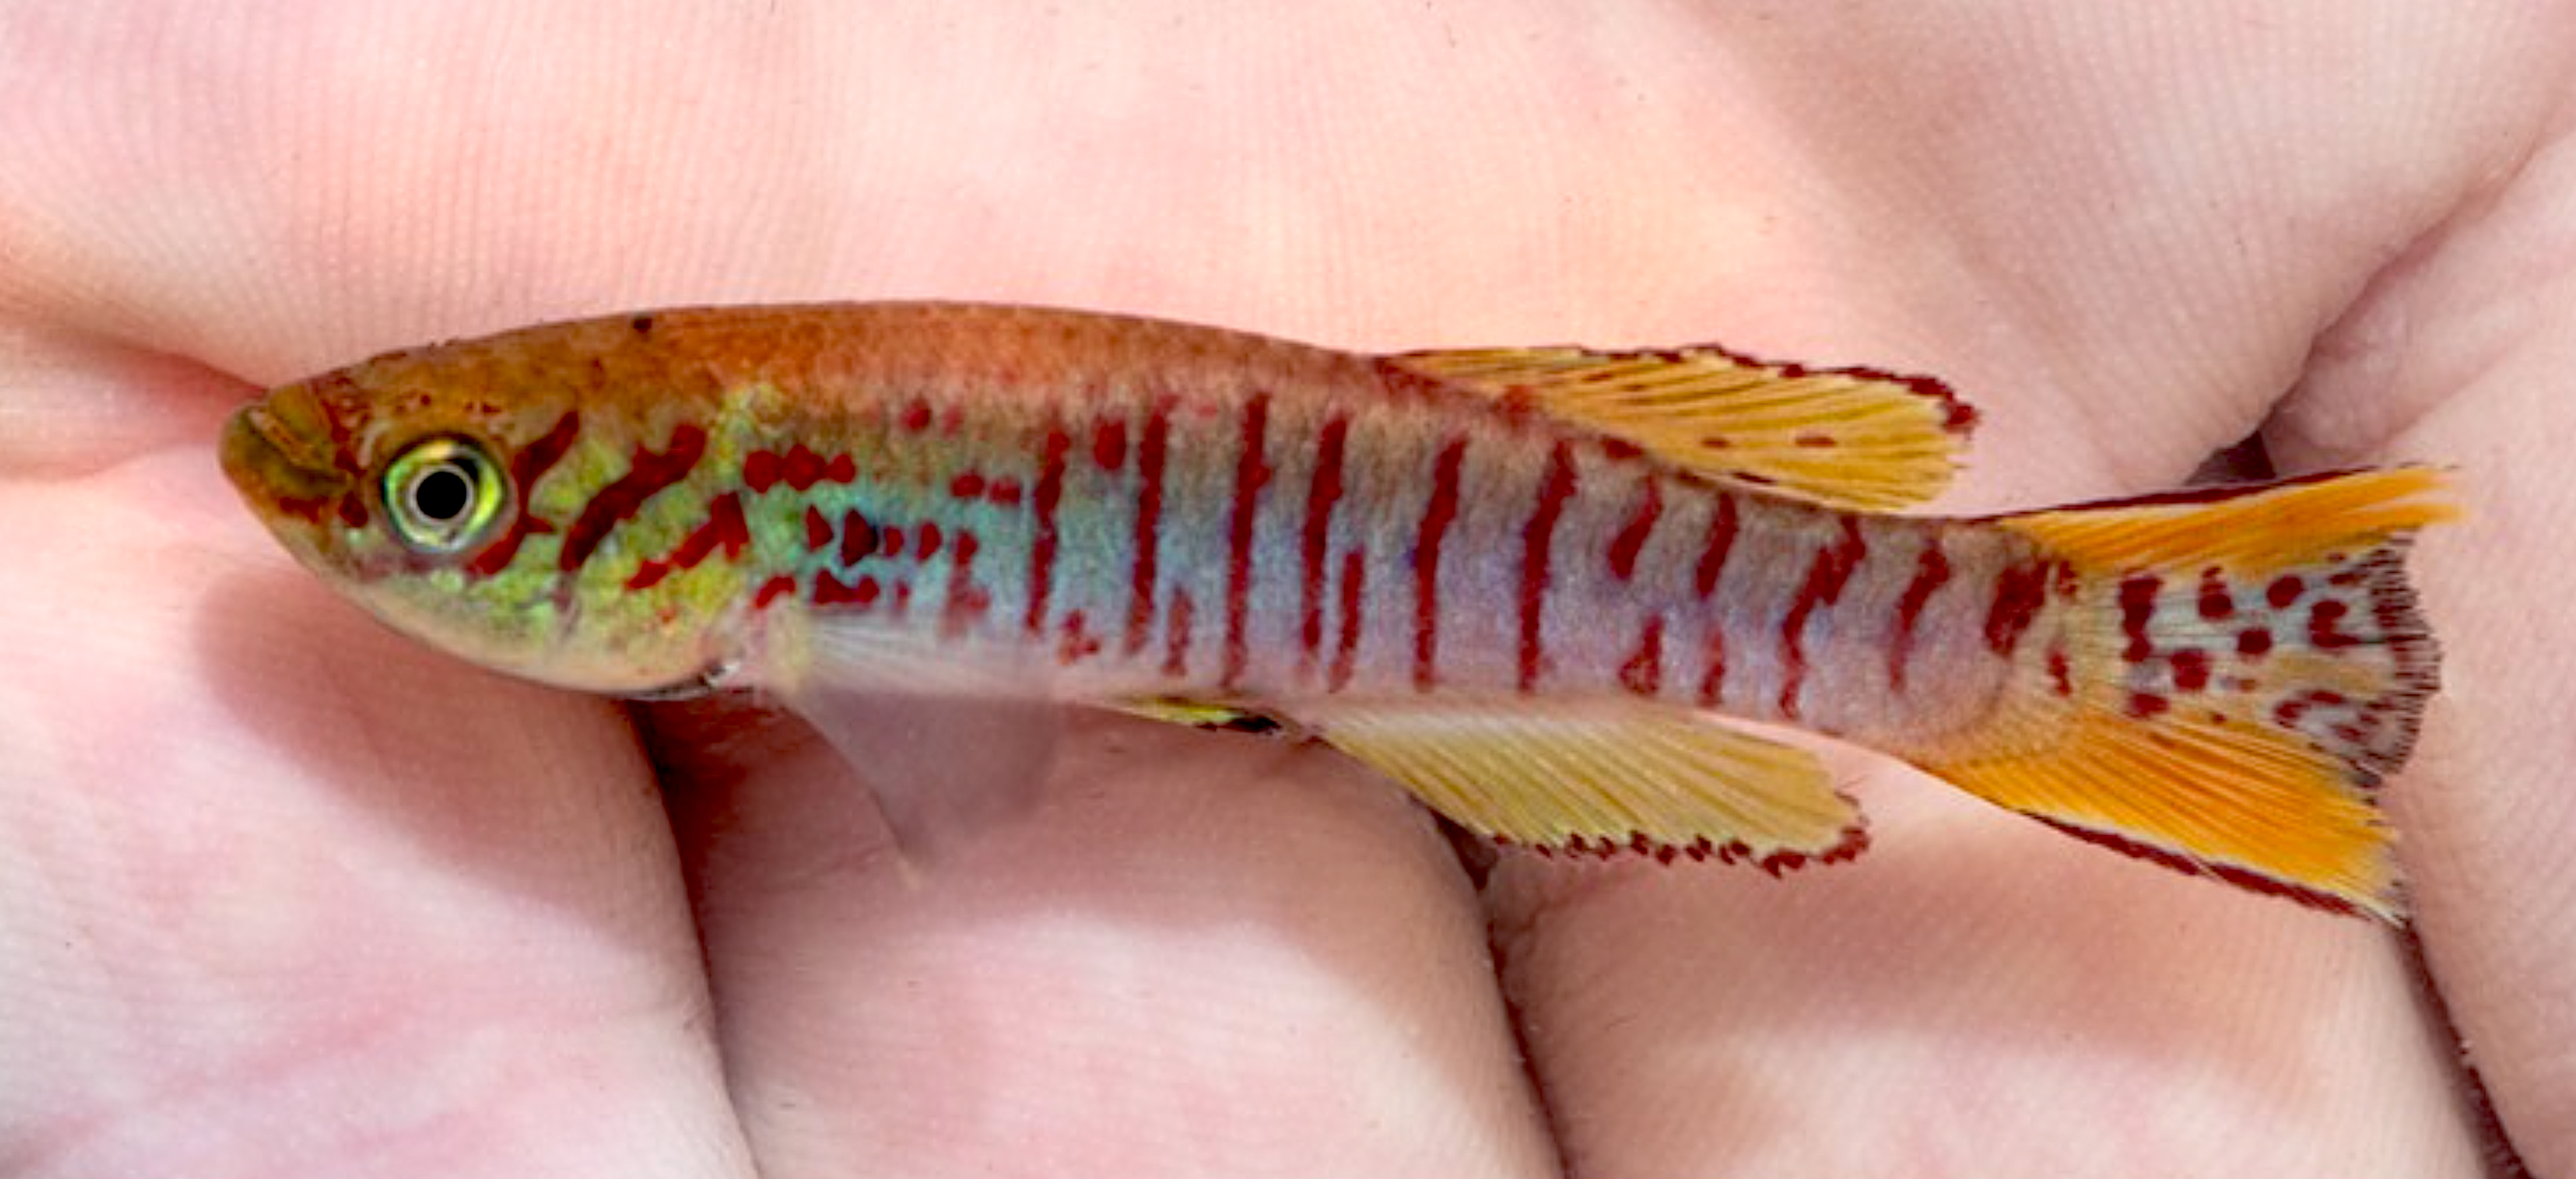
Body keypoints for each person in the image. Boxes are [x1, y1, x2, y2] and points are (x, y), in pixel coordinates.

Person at [1, 5, 2563, 1175]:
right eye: (438, 497)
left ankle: (2092, 658)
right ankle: (2081, 665)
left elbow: (955, 728)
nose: (381, 530)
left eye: (445, 497)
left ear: (691, 521)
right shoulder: (804, 568)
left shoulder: (812, 535)